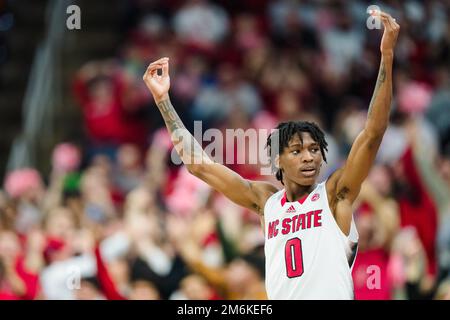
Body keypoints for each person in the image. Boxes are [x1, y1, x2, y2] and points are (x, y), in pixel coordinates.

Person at [143, 10, 400, 300]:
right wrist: (163, 100)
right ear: (277, 160)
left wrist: (387, 56)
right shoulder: (267, 202)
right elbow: (198, 165)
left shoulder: (334, 195)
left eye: (315, 150)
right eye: (297, 150)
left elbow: (373, 133)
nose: (309, 157)